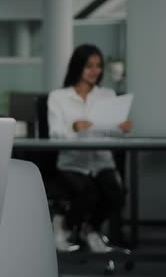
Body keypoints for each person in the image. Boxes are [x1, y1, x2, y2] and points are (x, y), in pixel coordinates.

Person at [47, 44, 132, 253]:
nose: (95, 71)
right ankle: (63, 224)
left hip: (102, 160)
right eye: (89, 66)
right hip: (72, 163)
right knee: (88, 194)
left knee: (116, 195)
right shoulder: (58, 97)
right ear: (77, 67)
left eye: (98, 66)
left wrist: (122, 128)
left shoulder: (107, 95)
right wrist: (73, 128)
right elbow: (55, 133)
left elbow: (111, 131)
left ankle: (90, 229)